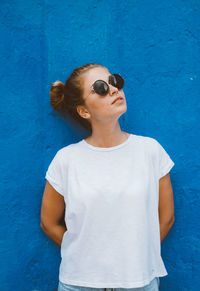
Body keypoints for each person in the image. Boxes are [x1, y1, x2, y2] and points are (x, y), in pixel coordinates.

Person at [40, 63, 175, 291]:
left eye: (114, 81)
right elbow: (49, 222)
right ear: (84, 111)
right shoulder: (66, 160)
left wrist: (134, 258)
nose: (113, 90)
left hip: (139, 282)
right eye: (100, 88)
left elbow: (166, 218)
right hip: (79, 283)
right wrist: (87, 258)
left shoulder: (150, 151)